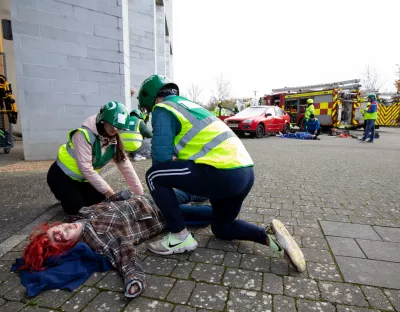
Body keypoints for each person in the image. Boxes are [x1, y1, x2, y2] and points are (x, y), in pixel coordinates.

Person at [137, 75, 305, 273]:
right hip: (245, 174)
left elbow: (160, 160)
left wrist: (168, 195)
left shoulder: (163, 108)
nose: (150, 112)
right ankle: (269, 238)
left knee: (154, 175)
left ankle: (179, 237)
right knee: (222, 228)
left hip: (221, 173)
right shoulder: (191, 106)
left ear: (152, 99)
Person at [17, 191, 214, 298]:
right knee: (210, 214)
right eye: (60, 240)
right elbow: (125, 256)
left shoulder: (83, 213)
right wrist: (134, 281)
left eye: (55, 232)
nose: (60, 234)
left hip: (149, 198)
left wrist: (120, 195)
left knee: (194, 191)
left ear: (58, 225)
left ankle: (213, 187)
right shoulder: (98, 239)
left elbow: (107, 203)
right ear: (67, 247)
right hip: (163, 214)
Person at [47, 102, 144, 216]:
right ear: (102, 120)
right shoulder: (83, 135)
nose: (114, 129)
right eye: (111, 124)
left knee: (102, 202)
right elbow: (86, 168)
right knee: (79, 211)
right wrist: (110, 194)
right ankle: (64, 194)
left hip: (82, 181)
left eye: (118, 127)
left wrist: (141, 196)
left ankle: (74, 195)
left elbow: (127, 168)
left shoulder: (113, 140)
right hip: (61, 176)